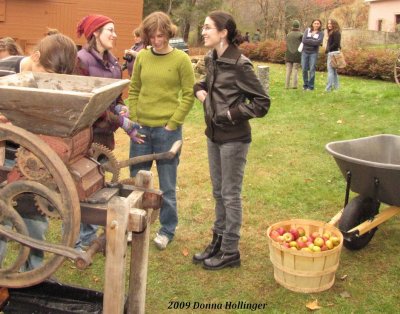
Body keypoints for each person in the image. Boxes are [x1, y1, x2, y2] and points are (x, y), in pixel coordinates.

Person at [193, 11, 270, 270]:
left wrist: (229, 114)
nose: (203, 32)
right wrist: (200, 90)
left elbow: (262, 103)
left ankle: (230, 251)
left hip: (234, 138)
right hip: (213, 135)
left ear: (223, 31)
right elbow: (210, 84)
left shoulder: (240, 64)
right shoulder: (211, 57)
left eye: (207, 28)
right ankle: (218, 241)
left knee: (230, 194)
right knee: (218, 192)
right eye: (203, 28)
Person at [0, 33, 77, 271]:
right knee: (2, 225)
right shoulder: (3, 72)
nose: (49, 83)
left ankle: (33, 276)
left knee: (35, 222)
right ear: (35, 57)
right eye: (48, 75)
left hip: (32, 162)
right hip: (4, 159)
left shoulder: (52, 79)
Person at [127, 11, 195, 250]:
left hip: (167, 132)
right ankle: (133, 224)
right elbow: (134, 89)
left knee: (167, 185)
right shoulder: (143, 57)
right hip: (141, 130)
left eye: (161, 35)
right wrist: (134, 118)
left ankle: (167, 230)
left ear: (169, 33)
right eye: (152, 36)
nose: (157, 41)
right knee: (136, 182)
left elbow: (189, 95)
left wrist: (173, 123)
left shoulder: (181, 60)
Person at [75, 14, 142, 250]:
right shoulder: (81, 61)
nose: (114, 34)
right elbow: (88, 103)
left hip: (105, 135)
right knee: (82, 185)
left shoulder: (113, 61)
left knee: (99, 182)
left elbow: (114, 96)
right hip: (86, 134)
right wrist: (121, 122)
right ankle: (80, 240)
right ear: (95, 33)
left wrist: (121, 105)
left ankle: (89, 236)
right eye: (109, 30)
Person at [301, 19, 324, 91]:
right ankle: (305, 85)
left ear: (320, 25)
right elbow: (304, 40)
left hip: (313, 53)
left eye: (318, 23)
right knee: (304, 69)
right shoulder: (307, 30)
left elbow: (318, 42)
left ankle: (311, 86)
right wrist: (313, 41)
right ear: (312, 24)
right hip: (305, 52)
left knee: (312, 69)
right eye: (315, 23)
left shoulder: (321, 33)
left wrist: (309, 40)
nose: (316, 25)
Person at [285, 20, 303, 89]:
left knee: (288, 69)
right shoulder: (301, 35)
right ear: (298, 26)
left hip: (288, 54)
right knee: (295, 69)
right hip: (297, 54)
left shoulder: (288, 34)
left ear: (292, 26)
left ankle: (286, 85)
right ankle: (294, 85)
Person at [325, 19, 341, 92]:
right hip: (334, 52)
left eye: (331, 24)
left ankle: (328, 88)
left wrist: (328, 49)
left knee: (330, 71)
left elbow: (336, 43)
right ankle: (336, 88)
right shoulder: (333, 32)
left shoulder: (336, 32)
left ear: (334, 24)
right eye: (328, 24)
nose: (329, 25)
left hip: (332, 53)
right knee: (334, 72)